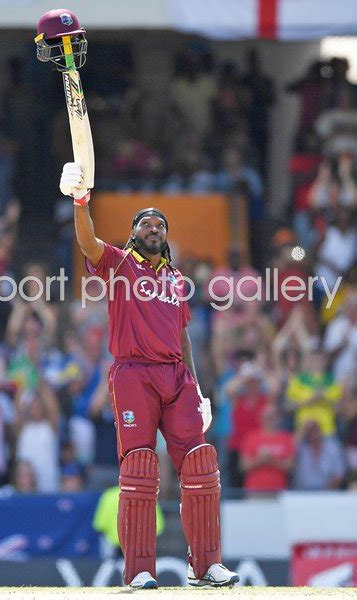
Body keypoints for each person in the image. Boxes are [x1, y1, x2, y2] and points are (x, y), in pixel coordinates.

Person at [59, 160, 239, 590]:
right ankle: (140, 570)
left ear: (166, 236)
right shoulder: (120, 264)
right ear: (134, 233)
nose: (153, 228)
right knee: (139, 468)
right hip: (133, 374)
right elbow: (87, 243)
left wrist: (197, 389)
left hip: (177, 378)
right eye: (145, 224)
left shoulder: (176, 278)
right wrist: (81, 202)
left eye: (160, 224)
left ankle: (206, 566)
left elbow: (184, 335)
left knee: (199, 462)